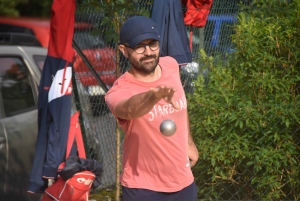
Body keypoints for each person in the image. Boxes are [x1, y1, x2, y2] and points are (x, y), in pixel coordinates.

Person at [105, 16, 199, 201]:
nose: (148, 52)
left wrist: (189, 143)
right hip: (143, 189)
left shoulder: (171, 65)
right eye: (139, 47)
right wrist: (152, 96)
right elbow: (129, 110)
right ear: (124, 50)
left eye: (153, 44)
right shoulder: (119, 91)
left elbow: (181, 108)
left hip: (183, 182)